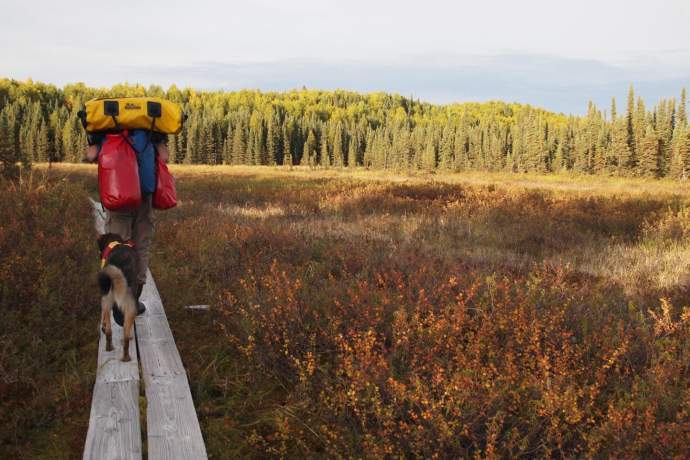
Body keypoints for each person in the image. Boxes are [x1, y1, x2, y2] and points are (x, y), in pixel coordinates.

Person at [85, 130, 170, 314]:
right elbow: (164, 157)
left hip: (117, 193)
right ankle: (134, 299)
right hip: (144, 196)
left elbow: (91, 155)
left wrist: (95, 142)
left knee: (117, 245)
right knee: (141, 246)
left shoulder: (105, 128)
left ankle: (118, 299)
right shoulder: (150, 128)